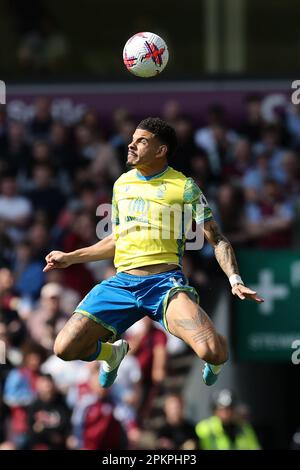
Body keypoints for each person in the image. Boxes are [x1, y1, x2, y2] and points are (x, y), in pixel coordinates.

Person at [43, 117, 264, 390]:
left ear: (161, 151)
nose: (131, 145)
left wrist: (234, 279)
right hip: (122, 284)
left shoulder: (184, 187)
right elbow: (117, 239)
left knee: (211, 350)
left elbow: (216, 238)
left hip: (163, 285)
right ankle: (111, 353)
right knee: (64, 348)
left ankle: (217, 360)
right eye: (132, 140)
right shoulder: (121, 185)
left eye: (141, 141)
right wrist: (70, 257)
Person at [195, 388, 261, 450]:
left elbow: (255, 447)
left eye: (229, 408)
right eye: (221, 409)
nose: (226, 413)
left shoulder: (244, 428)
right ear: (214, 410)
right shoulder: (204, 428)